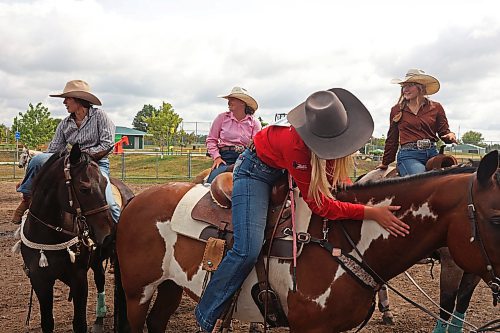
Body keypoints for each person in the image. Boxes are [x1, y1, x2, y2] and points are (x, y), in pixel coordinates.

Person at [195, 88, 411, 332]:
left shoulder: (321, 131)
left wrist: (356, 198)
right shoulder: (297, 146)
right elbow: (320, 205)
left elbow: (334, 180)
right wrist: (370, 213)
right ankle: (206, 313)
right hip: (254, 171)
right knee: (247, 249)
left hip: (279, 166)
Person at [12, 80, 120, 224]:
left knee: (111, 205)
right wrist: (33, 177)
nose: (64, 102)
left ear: (79, 100)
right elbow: (53, 151)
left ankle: (118, 234)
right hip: (71, 164)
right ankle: (28, 197)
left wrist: (80, 156)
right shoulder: (64, 124)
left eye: (67, 99)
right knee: (38, 160)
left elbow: (107, 144)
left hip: (96, 164)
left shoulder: (100, 117)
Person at [377, 69, 457, 176]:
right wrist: (385, 162)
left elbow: (444, 132)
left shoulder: (436, 107)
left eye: (410, 86)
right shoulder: (396, 110)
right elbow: (392, 138)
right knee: (423, 179)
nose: (405, 90)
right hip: (409, 155)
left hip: (433, 153)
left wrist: (450, 136)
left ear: (421, 87)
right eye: (404, 87)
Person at [205, 86, 261, 183]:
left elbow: (257, 145)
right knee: (211, 182)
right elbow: (211, 140)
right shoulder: (221, 118)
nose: (229, 102)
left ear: (243, 102)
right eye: (229, 99)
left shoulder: (254, 122)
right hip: (225, 158)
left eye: (232, 99)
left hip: (246, 157)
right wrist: (217, 157)